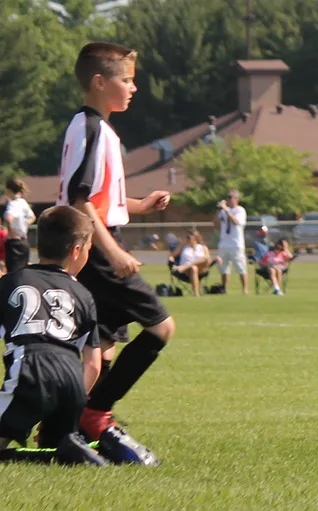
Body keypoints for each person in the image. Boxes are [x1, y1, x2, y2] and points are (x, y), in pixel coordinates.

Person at [57, 42, 173, 457]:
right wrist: (115, 253)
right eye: (126, 79)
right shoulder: (89, 127)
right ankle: (96, 413)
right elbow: (79, 198)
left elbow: (100, 198)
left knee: (100, 349)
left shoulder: (97, 128)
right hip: (97, 246)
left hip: (97, 242)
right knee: (161, 328)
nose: (134, 87)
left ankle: (65, 422)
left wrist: (139, 205)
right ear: (99, 82)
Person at [0, 206, 105, 465]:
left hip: (30, 372)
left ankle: (17, 456)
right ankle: (68, 448)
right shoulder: (83, 294)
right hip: (72, 384)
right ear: (76, 251)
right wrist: (72, 404)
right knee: (56, 450)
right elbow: (93, 363)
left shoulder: (11, 282)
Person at [215, 189, 248, 294]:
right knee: (223, 269)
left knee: (241, 267)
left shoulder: (240, 210)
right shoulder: (224, 211)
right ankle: (224, 289)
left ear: (236, 199)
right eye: (227, 197)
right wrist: (219, 210)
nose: (228, 200)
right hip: (224, 243)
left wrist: (226, 210)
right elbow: (215, 224)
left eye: (231, 197)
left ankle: (245, 289)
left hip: (236, 244)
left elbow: (235, 222)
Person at [4, 178, 37, 273]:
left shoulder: (13, 204)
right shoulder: (23, 202)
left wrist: (11, 231)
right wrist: (23, 224)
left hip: (14, 242)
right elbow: (32, 217)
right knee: (23, 271)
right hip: (24, 242)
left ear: (9, 190)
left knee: (13, 273)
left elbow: (9, 218)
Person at [170, 230, 213, 297]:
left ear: (195, 238)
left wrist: (185, 266)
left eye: (188, 237)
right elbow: (172, 256)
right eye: (186, 237)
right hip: (186, 272)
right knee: (193, 268)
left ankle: (185, 266)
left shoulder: (203, 247)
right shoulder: (183, 246)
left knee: (205, 259)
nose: (186, 239)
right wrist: (171, 261)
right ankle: (196, 294)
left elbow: (208, 260)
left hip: (200, 270)